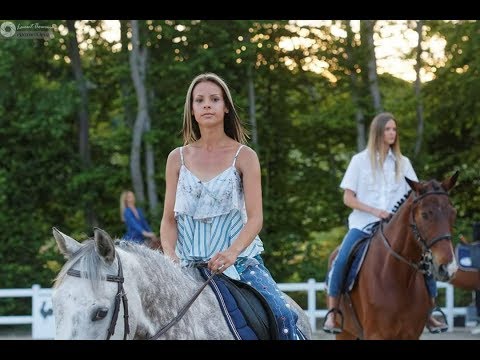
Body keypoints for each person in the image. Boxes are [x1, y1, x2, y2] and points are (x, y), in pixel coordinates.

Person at [159, 72, 302, 340]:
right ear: (191, 109)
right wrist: (170, 257)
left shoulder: (244, 156)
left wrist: (231, 253)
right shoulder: (176, 158)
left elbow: (255, 218)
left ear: (226, 107)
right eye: (199, 100)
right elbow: (168, 219)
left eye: (214, 99)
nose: (207, 105)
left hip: (240, 263)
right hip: (186, 267)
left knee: (282, 315)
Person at [322, 112, 448, 334]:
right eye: (388, 129)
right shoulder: (359, 161)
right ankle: (334, 313)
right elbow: (348, 198)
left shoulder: (403, 163)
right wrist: (375, 211)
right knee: (341, 258)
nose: (392, 133)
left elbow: (416, 194)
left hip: (396, 228)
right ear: (378, 132)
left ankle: (430, 312)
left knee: (425, 259)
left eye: (394, 129)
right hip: (364, 224)